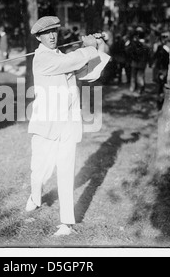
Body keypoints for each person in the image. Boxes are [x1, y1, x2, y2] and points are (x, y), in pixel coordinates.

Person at [26, 16, 109, 236]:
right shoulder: (41, 59)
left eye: (54, 31)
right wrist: (88, 48)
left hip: (67, 124)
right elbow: (71, 62)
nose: (52, 36)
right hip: (46, 124)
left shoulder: (63, 56)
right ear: (38, 37)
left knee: (66, 173)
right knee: (40, 172)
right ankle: (35, 196)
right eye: (46, 33)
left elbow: (88, 73)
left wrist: (100, 47)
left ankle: (67, 223)